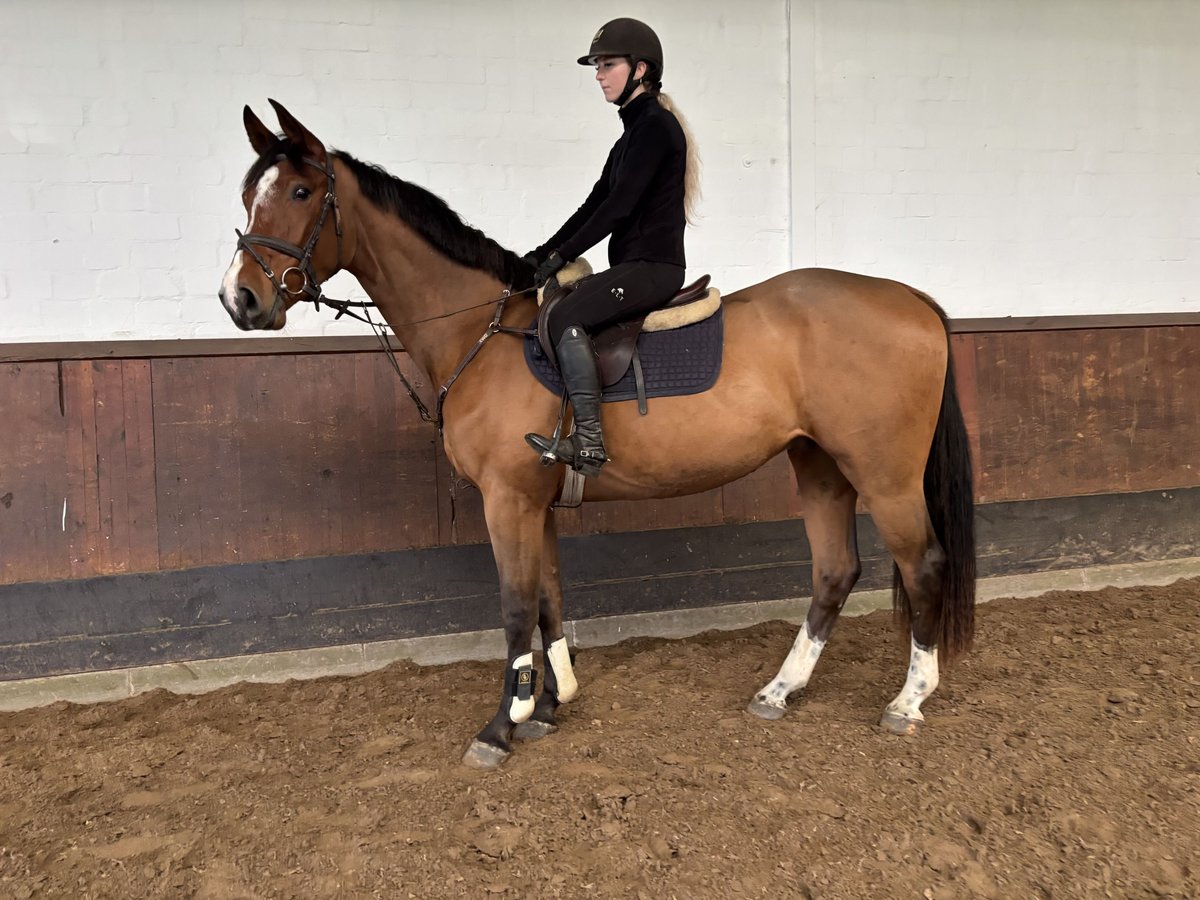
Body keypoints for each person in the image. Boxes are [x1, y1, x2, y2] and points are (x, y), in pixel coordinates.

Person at [524, 17, 700, 477]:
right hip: (634, 265)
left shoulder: (657, 129)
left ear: (640, 69)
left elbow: (617, 209)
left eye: (608, 64)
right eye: (596, 66)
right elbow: (593, 204)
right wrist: (542, 254)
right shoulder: (630, 136)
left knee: (566, 315)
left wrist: (562, 257)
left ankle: (588, 443)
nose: (599, 74)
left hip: (655, 268)